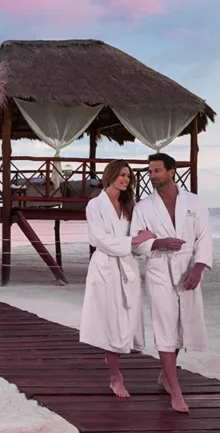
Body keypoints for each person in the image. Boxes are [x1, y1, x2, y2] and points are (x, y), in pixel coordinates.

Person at [131, 152, 214, 414]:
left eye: (157, 171)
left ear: (171, 172)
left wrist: (199, 268)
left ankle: (165, 376)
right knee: (164, 325)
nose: (152, 176)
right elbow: (135, 242)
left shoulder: (195, 203)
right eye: (149, 171)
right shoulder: (143, 207)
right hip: (159, 270)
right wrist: (159, 243)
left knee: (182, 323)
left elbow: (204, 238)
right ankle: (175, 390)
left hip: (188, 268)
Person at [80, 160, 154, 399]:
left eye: (128, 176)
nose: (125, 179)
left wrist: (155, 246)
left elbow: (140, 237)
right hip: (104, 268)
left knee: (125, 322)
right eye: (122, 175)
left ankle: (115, 367)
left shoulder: (130, 205)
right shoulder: (95, 205)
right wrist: (132, 241)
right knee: (111, 323)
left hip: (126, 267)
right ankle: (116, 377)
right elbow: (98, 239)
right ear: (110, 175)